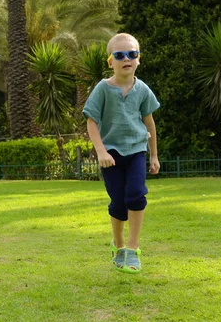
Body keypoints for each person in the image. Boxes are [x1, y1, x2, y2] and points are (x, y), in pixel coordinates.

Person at [83, 33, 160, 274]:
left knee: (136, 196)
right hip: (111, 154)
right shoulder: (103, 89)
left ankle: (133, 249)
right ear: (111, 62)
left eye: (132, 54)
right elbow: (91, 121)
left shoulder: (143, 89)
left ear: (138, 59)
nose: (126, 59)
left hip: (136, 150)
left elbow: (150, 124)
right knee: (118, 202)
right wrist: (101, 151)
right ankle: (118, 245)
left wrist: (154, 155)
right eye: (119, 55)